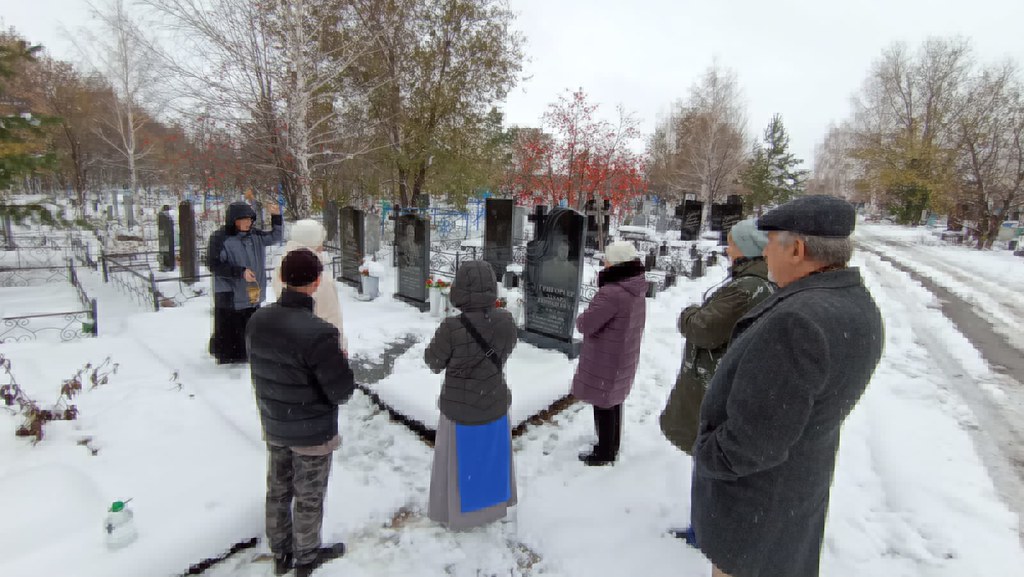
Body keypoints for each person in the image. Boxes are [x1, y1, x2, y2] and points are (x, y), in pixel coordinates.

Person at [690, 196, 885, 577]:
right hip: (792, 499)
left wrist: (706, 452)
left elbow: (752, 442)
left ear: (796, 249)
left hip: (754, 513)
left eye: (769, 245)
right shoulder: (857, 305)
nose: (765, 258)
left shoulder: (796, 323)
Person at [246, 249, 355, 577]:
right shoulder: (319, 333)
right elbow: (342, 390)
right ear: (317, 281)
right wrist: (341, 360)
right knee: (309, 496)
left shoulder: (258, 320)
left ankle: (281, 552)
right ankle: (306, 556)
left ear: (281, 278)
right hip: (311, 431)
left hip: (276, 420)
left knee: (278, 489)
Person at [660, 219, 775, 456]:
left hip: (711, 381)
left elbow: (702, 329)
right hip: (720, 380)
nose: (727, 250)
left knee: (707, 452)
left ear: (747, 249)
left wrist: (688, 313)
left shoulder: (746, 288)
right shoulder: (758, 281)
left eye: (732, 244)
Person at [424, 260, 519, 530]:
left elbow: (433, 362)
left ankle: (458, 513)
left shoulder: (451, 328)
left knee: (458, 463)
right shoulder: (506, 320)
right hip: (493, 400)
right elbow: (506, 349)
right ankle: (492, 507)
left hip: (460, 407)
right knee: (490, 461)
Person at [571, 241, 647, 466]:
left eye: (607, 259)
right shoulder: (635, 287)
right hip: (622, 355)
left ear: (615, 263)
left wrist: (583, 316)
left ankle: (604, 453)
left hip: (606, 357)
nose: (603, 262)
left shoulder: (612, 293)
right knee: (614, 399)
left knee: (603, 402)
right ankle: (612, 444)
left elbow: (585, 324)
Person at [207, 199, 282, 364]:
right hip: (230, 293)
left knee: (250, 324)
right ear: (233, 220)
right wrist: (239, 272)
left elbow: (275, 237)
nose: (248, 223)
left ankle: (247, 352)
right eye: (244, 219)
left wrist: (276, 217)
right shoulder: (220, 238)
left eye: (250, 219)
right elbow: (214, 264)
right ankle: (228, 355)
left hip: (251, 291)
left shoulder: (255, 236)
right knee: (230, 327)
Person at [270, 219, 347, 351]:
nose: (322, 247)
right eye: (319, 243)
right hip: (318, 345)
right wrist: (340, 347)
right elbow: (331, 317)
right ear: (311, 242)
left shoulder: (282, 267)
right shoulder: (317, 277)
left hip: (290, 339)